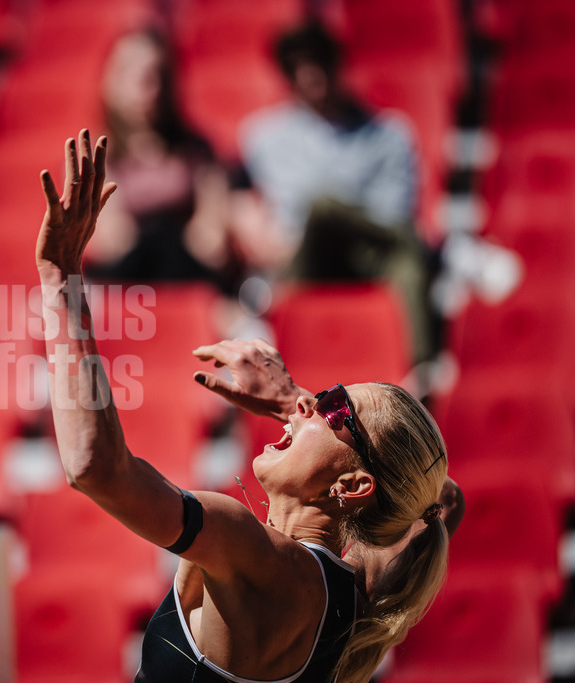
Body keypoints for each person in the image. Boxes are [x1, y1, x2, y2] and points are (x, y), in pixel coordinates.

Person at [36, 130, 451, 682]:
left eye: (329, 407)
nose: (304, 404)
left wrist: (59, 276)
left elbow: (94, 466)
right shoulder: (358, 591)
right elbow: (439, 501)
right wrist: (302, 409)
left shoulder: (248, 547)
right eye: (317, 396)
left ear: (352, 488)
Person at [229, 20, 438, 366]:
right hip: (302, 254)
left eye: (319, 62)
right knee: (321, 212)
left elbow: (397, 216)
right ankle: (286, 363)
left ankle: (420, 372)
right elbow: (237, 198)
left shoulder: (388, 133)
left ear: (336, 65)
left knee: (407, 265)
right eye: (299, 66)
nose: (311, 75)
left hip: (370, 250)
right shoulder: (261, 137)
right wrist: (252, 227)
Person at [83, 26, 238, 294]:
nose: (147, 88)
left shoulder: (197, 149)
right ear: (111, 81)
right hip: (125, 279)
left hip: (188, 274)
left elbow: (212, 240)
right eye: (133, 75)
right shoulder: (96, 155)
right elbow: (109, 240)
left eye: (156, 76)